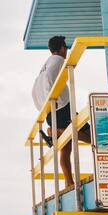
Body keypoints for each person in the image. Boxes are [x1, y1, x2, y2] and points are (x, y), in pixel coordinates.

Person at [31, 35, 91, 189]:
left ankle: (68, 182)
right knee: (92, 137)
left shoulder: (45, 65)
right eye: (66, 48)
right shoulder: (58, 60)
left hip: (50, 111)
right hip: (61, 106)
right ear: (62, 48)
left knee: (66, 147)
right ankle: (58, 130)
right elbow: (71, 65)